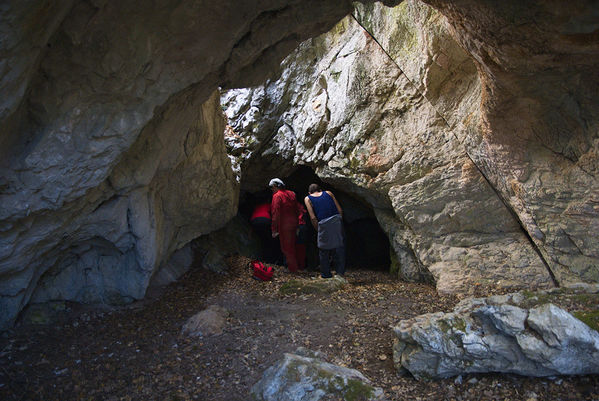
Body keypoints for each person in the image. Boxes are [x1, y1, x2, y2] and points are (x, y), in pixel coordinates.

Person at [304, 183, 345, 278]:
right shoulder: (329, 193)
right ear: (320, 190)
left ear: (309, 192)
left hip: (323, 222)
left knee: (323, 250)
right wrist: (339, 222)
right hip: (336, 219)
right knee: (339, 246)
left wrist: (318, 229)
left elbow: (313, 217)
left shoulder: (308, 198)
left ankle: (326, 274)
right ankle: (340, 272)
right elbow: (340, 209)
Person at [269, 178, 303, 272]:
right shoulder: (291, 194)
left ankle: (293, 269)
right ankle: (297, 266)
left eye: (272, 187)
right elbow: (297, 209)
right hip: (293, 224)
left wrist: (274, 229)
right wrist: (297, 225)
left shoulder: (277, 196)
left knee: (287, 248)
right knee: (293, 245)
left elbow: (276, 213)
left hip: (284, 226)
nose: (272, 190)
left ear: (276, 186)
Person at [249, 193, 281, 264]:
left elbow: (252, 217)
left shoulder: (257, 207)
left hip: (254, 221)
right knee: (270, 240)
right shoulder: (268, 205)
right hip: (265, 220)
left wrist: (250, 233)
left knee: (263, 239)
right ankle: (271, 260)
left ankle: (264, 258)